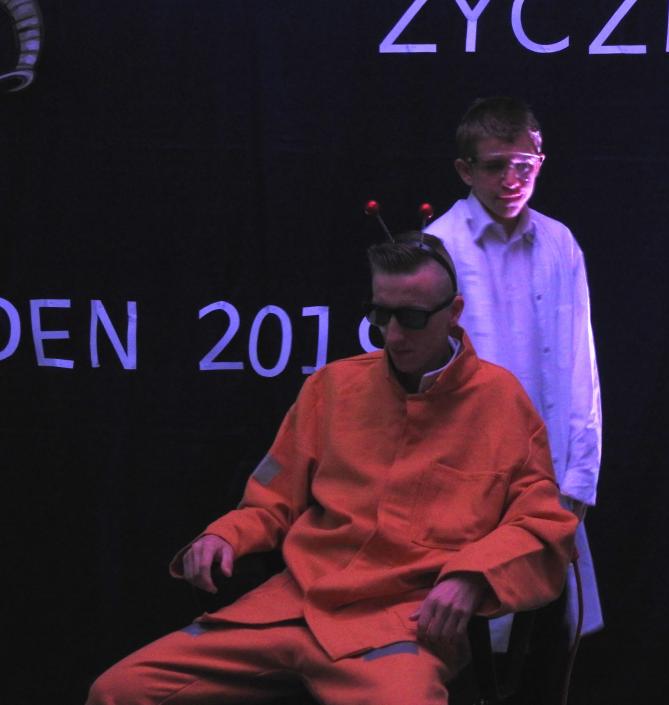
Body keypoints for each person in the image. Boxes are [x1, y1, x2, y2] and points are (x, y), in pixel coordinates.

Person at [87, 233, 577, 705]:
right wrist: (224, 535)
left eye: (411, 317)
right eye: (381, 315)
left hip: (399, 627)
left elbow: (542, 523)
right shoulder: (333, 387)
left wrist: (473, 576)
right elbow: (270, 501)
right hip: (289, 609)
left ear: (454, 313)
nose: (393, 335)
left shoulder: (500, 402)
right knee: (118, 691)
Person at [425, 97, 603, 651]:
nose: (510, 180)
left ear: (540, 161)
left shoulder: (559, 242)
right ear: (465, 170)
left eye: (524, 166)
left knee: (544, 640)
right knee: (467, 641)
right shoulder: (440, 246)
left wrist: (581, 479)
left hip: (551, 478)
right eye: (495, 166)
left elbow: (582, 365)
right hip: (465, 481)